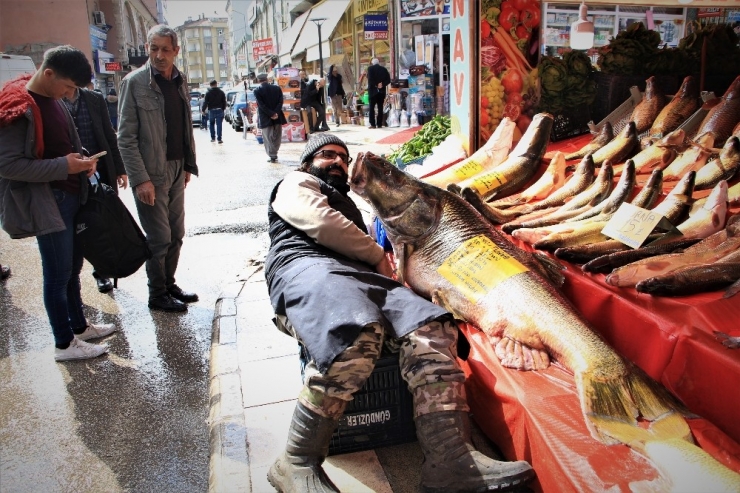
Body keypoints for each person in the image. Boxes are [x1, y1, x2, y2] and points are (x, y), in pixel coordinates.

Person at [264, 133, 535, 493]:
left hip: (359, 280)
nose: (337, 163)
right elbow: (316, 220)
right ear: (308, 162)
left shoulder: (346, 203)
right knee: (354, 335)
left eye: (342, 158)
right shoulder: (296, 182)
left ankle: (450, 459)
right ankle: (297, 460)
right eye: (327, 155)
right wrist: (378, 256)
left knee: (431, 328)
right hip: (308, 269)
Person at [0, 45, 118, 361]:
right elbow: (8, 165)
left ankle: (79, 327)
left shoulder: (52, 100)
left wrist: (81, 161)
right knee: (57, 275)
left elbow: (63, 146)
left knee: (71, 269)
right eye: (67, 87)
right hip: (47, 204)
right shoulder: (18, 107)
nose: (69, 94)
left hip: (69, 197)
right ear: (48, 73)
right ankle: (64, 344)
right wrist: (65, 166)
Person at [117, 24, 200, 313]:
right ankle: (157, 294)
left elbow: (184, 125)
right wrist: (141, 180)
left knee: (177, 234)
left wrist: (188, 163)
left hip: (178, 168)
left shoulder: (180, 80)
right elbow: (125, 138)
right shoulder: (134, 82)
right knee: (159, 238)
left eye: (165, 49)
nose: (159, 55)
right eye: (154, 48)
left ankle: (168, 284)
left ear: (176, 51)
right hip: (152, 172)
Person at [63, 86, 129, 293]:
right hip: (68, 176)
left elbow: (109, 135)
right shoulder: (54, 98)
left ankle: (101, 272)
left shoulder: (93, 98)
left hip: (99, 172)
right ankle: (71, 282)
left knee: (101, 225)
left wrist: (119, 169)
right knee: (74, 228)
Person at [253, 72, 287, 163]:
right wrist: (275, 112)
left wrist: (271, 114)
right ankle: (274, 153)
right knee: (277, 137)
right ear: (267, 79)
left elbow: (261, 105)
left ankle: (272, 155)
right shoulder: (277, 88)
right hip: (278, 116)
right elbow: (280, 102)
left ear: (258, 80)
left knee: (268, 138)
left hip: (265, 117)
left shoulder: (257, 90)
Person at [366, 57, 391, 128]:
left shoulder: (370, 69)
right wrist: (382, 84)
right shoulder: (384, 69)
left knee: (371, 108)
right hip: (381, 91)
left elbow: (370, 79)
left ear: (372, 63)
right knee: (380, 108)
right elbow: (388, 80)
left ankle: (373, 124)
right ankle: (379, 124)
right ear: (378, 62)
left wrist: (376, 84)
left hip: (373, 91)